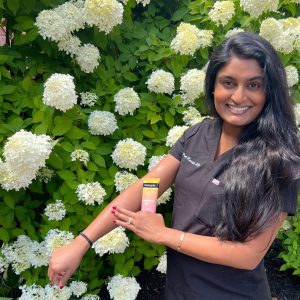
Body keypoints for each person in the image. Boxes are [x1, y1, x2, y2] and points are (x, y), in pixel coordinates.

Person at [48, 32, 300, 299]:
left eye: (253, 85)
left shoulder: (280, 158)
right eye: (228, 82)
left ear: (269, 91)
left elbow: (249, 254)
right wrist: (82, 242)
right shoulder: (197, 134)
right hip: (181, 289)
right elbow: (149, 185)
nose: (238, 97)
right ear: (213, 85)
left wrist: (164, 234)